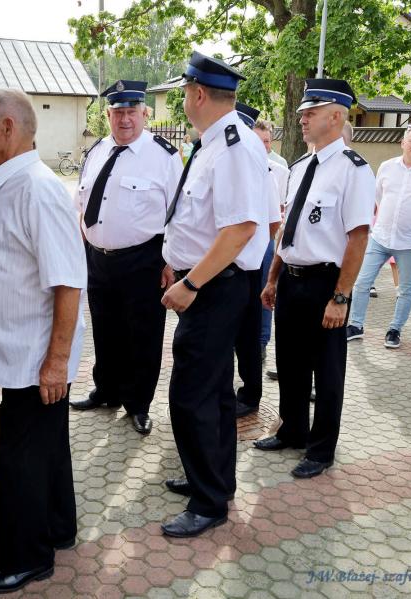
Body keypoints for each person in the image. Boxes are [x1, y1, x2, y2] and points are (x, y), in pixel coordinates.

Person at [0, 89, 85, 594]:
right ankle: (58, 527)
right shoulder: (10, 181)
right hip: (22, 351)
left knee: (20, 457)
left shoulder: (37, 189)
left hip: (35, 357)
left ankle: (28, 558)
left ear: (8, 128)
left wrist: (56, 362)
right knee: (47, 445)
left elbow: (68, 282)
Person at [158, 52, 269, 538]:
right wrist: (176, 260)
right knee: (215, 392)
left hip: (214, 287)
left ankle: (208, 504)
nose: (183, 100)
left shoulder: (233, 146)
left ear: (198, 93)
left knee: (192, 395)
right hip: (210, 282)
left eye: (184, 92)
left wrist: (190, 283)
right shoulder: (214, 143)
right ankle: (213, 481)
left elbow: (241, 229)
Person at [254, 79, 375, 479]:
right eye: (302, 113)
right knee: (289, 362)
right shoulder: (300, 167)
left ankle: (321, 450)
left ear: (336, 116)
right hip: (291, 278)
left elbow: (358, 237)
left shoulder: (354, 170)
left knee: (326, 371)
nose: (302, 119)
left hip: (326, 283)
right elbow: (287, 231)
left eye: (311, 113)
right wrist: (273, 278)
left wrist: (341, 297)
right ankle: (292, 430)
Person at [68, 80, 182, 436]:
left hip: (143, 259)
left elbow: (179, 214)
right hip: (97, 257)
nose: (125, 119)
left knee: (142, 334)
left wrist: (171, 262)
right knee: (105, 329)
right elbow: (81, 202)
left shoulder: (163, 157)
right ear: (108, 115)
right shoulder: (97, 150)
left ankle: (138, 404)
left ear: (145, 114)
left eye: (132, 111)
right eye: (118, 112)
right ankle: (107, 390)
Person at [346, 126, 411, 348]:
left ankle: (394, 330)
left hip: (409, 241)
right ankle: (355, 325)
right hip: (380, 237)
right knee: (362, 282)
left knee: (405, 288)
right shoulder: (387, 166)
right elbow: (378, 197)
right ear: (402, 143)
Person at [233, 107, 284, 418]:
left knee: (249, 333)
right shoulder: (216, 162)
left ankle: (250, 393)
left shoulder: (264, 172)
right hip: (217, 265)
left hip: (249, 263)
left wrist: (252, 249)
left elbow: (273, 222)